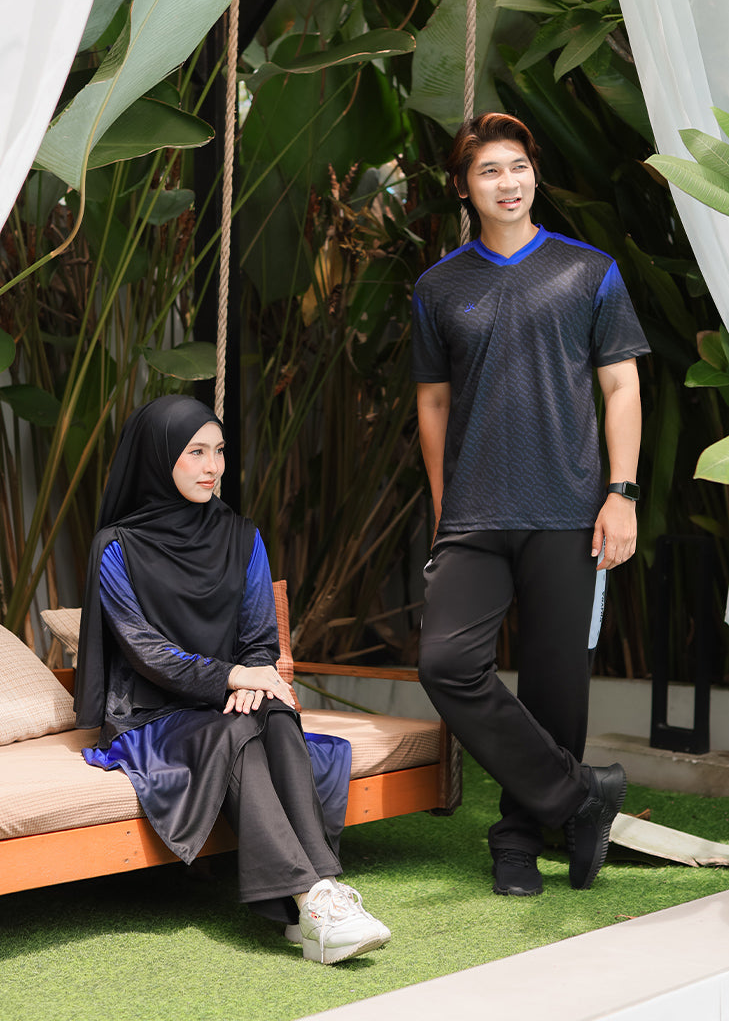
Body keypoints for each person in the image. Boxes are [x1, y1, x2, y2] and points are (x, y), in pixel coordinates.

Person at [411, 112, 650, 897]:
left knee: (555, 688)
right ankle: (580, 801)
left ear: (533, 174)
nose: (507, 182)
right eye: (488, 171)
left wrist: (620, 493)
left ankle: (518, 840)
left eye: (517, 166)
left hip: (568, 510)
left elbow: (620, 387)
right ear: (462, 188)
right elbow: (433, 405)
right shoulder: (438, 286)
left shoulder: (588, 271)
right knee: (446, 663)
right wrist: (443, 511)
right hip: (473, 516)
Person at [74, 394, 390, 964]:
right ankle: (313, 899)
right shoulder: (116, 548)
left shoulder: (243, 536)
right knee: (237, 730)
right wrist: (232, 677)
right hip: (152, 713)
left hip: (224, 697)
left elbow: (259, 636)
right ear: (159, 457)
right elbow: (145, 652)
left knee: (272, 710)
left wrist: (250, 679)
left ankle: (313, 903)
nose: (213, 467)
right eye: (195, 452)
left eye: (219, 451)